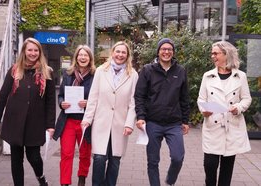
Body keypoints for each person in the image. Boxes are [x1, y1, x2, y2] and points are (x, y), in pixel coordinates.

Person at [0, 37, 56, 186]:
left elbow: (50, 101)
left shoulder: (46, 72)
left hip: (35, 123)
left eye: (36, 50)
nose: (33, 53)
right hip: (14, 121)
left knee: (34, 156)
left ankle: (41, 177)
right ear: (24, 51)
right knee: (16, 159)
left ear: (39, 52)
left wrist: (50, 125)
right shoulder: (15, 69)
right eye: (30, 50)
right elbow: (3, 95)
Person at [81, 41, 138, 186]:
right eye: (117, 51)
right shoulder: (101, 71)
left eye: (123, 52)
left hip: (120, 125)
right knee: (99, 158)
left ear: (127, 55)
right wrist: (87, 118)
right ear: (112, 53)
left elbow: (133, 102)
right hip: (101, 123)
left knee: (115, 160)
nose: (120, 55)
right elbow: (93, 96)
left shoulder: (133, 75)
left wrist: (129, 123)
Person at [134, 38, 190, 186]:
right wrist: (140, 116)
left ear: (173, 52)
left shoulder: (181, 71)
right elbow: (139, 96)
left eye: (169, 49)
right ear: (158, 52)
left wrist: (185, 121)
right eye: (163, 49)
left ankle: (170, 181)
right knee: (152, 161)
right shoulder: (147, 70)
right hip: (153, 123)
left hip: (174, 124)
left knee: (178, 157)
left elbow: (184, 98)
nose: (166, 52)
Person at [197, 41, 252, 186]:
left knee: (227, 170)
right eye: (212, 53)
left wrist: (238, 107)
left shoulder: (240, 76)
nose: (212, 56)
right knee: (210, 165)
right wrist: (205, 110)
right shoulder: (207, 76)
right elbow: (201, 99)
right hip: (212, 127)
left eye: (215, 53)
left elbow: (246, 98)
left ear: (226, 54)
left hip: (232, 128)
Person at [53, 45, 96, 186]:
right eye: (80, 55)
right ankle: (65, 183)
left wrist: (88, 103)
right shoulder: (67, 74)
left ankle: (81, 179)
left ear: (90, 58)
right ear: (76, 57)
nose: (83, 57)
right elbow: (60, 95)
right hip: (68, 121)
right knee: (66, 154)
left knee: (84, 154)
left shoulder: (95, 76)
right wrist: (61, 103)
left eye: (86, 55)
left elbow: (99, 98)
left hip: (85, 122)